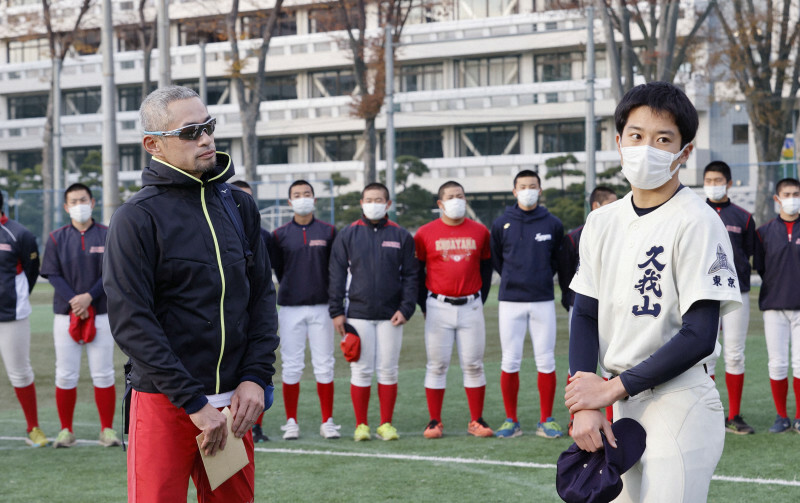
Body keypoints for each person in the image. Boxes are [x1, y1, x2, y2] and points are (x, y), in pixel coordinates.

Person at [565, 81, 741, 502]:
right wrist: (586, 403)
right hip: (622, 403)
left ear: (685, 152)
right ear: (619, 141)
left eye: (664, 139)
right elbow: (585, 313)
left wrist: (606, 391)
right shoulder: (602, 221)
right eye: (637, 135)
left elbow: (699, 335)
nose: (648, 148)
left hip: (680, 399)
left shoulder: (698, 220)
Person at [103, 85, 279, 503]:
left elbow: (261, 300)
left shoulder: (239, 206)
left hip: (234, 403)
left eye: (209, 127)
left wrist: (256, 377)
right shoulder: (136, 218)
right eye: (190, 131)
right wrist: (193, 403)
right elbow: (132, 321)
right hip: (167, 403)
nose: (205, 139)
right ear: (154, 144)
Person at [329, 182, 417, 442]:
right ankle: (361, 425)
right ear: (362, 203)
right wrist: (336, 311)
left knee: (389, 369)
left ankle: (386, 424)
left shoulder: (401, 235)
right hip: (357, 314)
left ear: (388, 204)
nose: (374, 203)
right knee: (362, 371)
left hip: (392, 316)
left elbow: (412, 276)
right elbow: (335, 275)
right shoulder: (347, 234)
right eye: (369, 199)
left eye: (379, 199)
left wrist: (406, 308)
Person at [39, 183, 120, 448]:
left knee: (104, 373)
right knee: (65, 374)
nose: (79, 205)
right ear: (66, 207)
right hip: (66, 315)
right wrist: (76, 300)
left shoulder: (108, 235)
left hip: (102, 313)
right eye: (73, 201)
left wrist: (89, 296)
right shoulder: (55, 238)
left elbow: (112, 272)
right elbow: (52, 273)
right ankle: (66, 430)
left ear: (93, 202)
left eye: (83, 200)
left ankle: (107, 430)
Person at [489, 170, 566, 439]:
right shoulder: (501, 223)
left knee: (546, 360)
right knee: (510, 361)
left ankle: (547, 419)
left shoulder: (553, 223)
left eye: (532, 186)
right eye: (523, 186)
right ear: (514, 192)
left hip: (543, 299)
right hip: (510, 301)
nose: (528, 190)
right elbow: (497, 260)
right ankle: (511, 420)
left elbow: (559, 261)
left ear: (540, 190)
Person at [415, 181, 493, 439]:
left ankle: (476, 420)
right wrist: (422, 304)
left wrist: (479, 298)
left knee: (473, 364)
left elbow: (485, 268)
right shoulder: (425, 233)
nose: (456, 200)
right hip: (438, 304)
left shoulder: (480, 231)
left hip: (471, 304)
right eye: (450, 196)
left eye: (460, 195)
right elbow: (418, 272)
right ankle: (434, 421)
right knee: (436, 365)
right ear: (440, 203)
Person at [271, 180, 340, 440]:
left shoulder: (329, 231)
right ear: (290, 202)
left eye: (307, 194)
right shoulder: (279, 235)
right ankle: (291, 422)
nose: (303, 198)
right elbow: (278, 268)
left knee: (325, 365)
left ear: (315, 199)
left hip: (322, 307)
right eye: (297, 195)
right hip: (290, 308)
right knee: (291, 366)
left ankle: (328, 421)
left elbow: (335, 270)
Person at [703, 161, 757, 434]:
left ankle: (734, 415)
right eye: (709, 180)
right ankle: (707, 414)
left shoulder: (743, 217)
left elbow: (748, 254)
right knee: (704, 354)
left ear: (729, 183)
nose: (713, 184)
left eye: (718, 180)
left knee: (735, 354)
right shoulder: (694, 212)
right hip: (703, 295)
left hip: (736, 294)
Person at [559, 185, 618, 434]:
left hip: (615, 307)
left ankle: (613, 418)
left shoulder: (621, 233)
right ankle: (578, 414)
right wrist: (569, 299)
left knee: (612, 364)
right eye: (611, 203)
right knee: (580, 363)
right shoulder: (576, 236)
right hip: (583, 304)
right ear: (596, 206)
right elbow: (565, 272)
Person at [754, 177, 800, 434]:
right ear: (777, 199)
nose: (792, 198)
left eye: (796, 193)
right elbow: (761, 267)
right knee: (777, 363)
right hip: (774, 305)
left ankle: (799, 416)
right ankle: (781, 416)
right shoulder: (764, 232)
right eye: (787, 194)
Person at [230, 179, 274, 442]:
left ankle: (256, 425)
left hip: (252, 329)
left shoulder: (263, 237)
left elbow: (264, 288)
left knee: (256, 379)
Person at [0, 192, 45, 447]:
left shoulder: (20, 234)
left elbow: (31, 271)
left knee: (19, 373)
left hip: (11, 316)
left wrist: (15, 298)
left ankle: (33, 428)